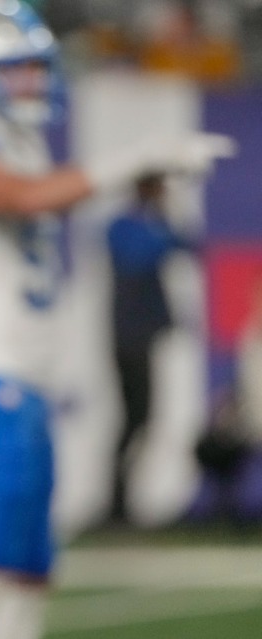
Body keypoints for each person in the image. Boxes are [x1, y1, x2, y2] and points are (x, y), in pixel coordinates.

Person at [0, 1, 235, 638]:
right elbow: (25, 197)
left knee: (31, 562)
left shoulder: (20, 139)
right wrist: (136, 160)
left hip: (24, 377)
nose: (34, 81)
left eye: (37, 67)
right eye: (17, 69)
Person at [106, 172, 196, 523]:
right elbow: (139, 258)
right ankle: (116, 504)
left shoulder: (151, 223)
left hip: (142, 337)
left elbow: (188, 243)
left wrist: (163, 214)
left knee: (141, 419)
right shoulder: (122, 226)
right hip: (128, 337)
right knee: (134, 419)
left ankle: (122, 502)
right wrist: (157, 220)